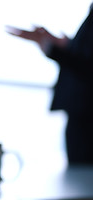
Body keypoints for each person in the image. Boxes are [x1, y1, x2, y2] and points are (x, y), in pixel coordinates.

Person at [7, 5, 93, 165]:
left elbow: (87, 66)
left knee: (82, 174)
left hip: (86, 114)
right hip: (81, 112)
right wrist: (65, 44)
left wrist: (50, 48)